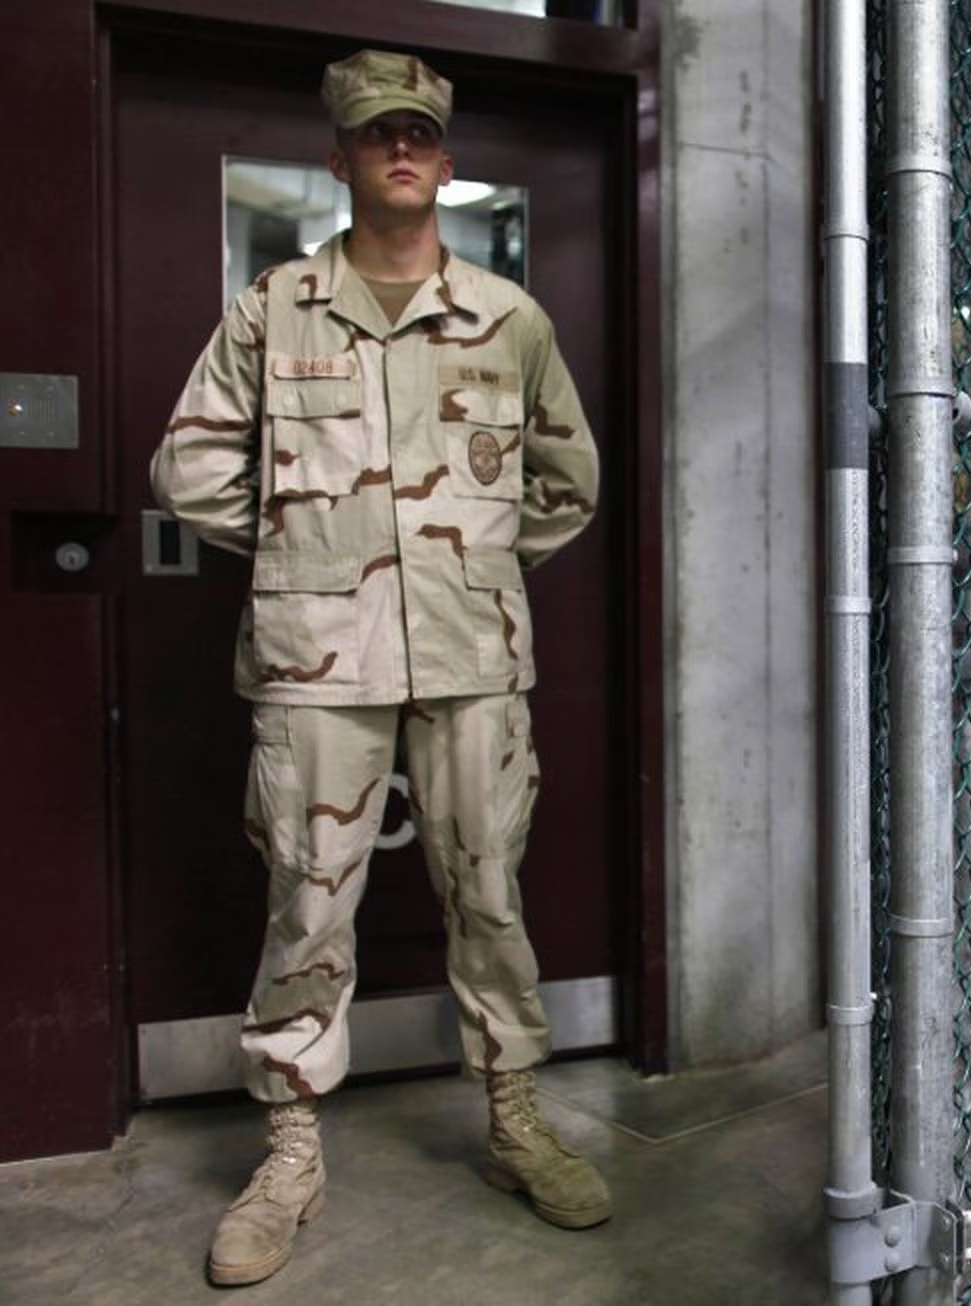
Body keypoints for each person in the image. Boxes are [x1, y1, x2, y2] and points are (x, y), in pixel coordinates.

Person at [149, 48, 607, 1288]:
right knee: (307, 902)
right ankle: (290, 1153)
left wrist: (462, 564)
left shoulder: (510, 319)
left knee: (490, 898)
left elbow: (567, 483)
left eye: (417, 131)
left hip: (470, 660)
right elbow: (186, 469)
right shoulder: (276, 307)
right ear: (341, 159)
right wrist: (321, 544)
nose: (399, 148)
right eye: (374, 132)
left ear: (446, 164)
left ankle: (516, 1122)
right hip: (316, 662)